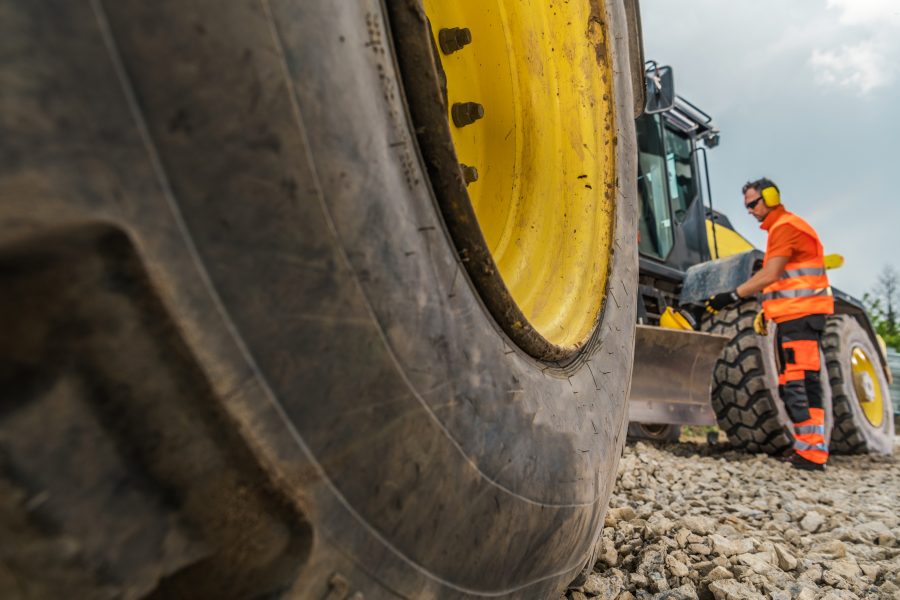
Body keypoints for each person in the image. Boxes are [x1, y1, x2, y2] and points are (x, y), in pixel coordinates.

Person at [705, 178, 833, 471]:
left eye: (753, 203)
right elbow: (784, 280)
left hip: (800, 316)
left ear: (771, 197)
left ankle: (813, 454)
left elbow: (771, 273)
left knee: (799, 385)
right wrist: (767, 310)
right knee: (796, 382)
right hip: (794, 316)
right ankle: (808, 450)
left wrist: (731, 295)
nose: (750, 210)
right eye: (747, 206)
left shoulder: (784, 227)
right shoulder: (784, 228)